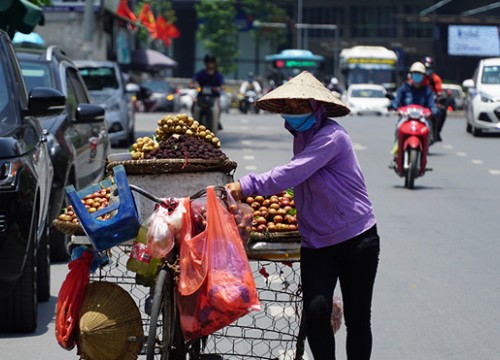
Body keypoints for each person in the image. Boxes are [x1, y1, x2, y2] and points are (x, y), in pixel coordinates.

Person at [226, 71, 380, 360]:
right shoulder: (302, 137)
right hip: (317, 243)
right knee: (315, 311)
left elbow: (292, 172)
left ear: (317, 108)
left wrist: (244, 186)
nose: (294, 112)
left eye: (302, 106)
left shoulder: (332, 137)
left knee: (358, 320)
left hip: (356, 238)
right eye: (289, 107)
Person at [390, 61, 439, 151]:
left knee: (429, 128)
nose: (417, 76)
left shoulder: (427, 90)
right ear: (411, 75)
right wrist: (393, 105)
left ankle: (425, 148)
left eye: (419, 74)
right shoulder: (404, 88)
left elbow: (431, 103)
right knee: (398, 128)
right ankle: (397, 148)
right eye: (415, 73)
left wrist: (434, 110)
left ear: (423, 76)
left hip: (422, 118)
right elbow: (397, 100)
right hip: (406, 117)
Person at [189, 54, 225, 130]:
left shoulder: (218, 75)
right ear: (205, 63)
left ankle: (217, 121)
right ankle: (194, 123)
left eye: (211, 62)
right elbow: (192, 82)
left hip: (214, 97)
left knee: (217, 108)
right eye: (208, 62)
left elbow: (222, 86)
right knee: (195, 107)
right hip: (201, 96)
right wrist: (193, 85)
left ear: (214, 63)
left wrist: (218, 88)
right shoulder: (200, 73)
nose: (209, 64)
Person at [422, 56, 446, 141]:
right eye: (426, 68)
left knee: (442, 110)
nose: (428, 70)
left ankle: (437, 132)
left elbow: (439, 91)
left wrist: (439, 97)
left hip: (431, 102)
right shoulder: (418, 77)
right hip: (418, 102)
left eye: (430, 68)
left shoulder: (436, 79)